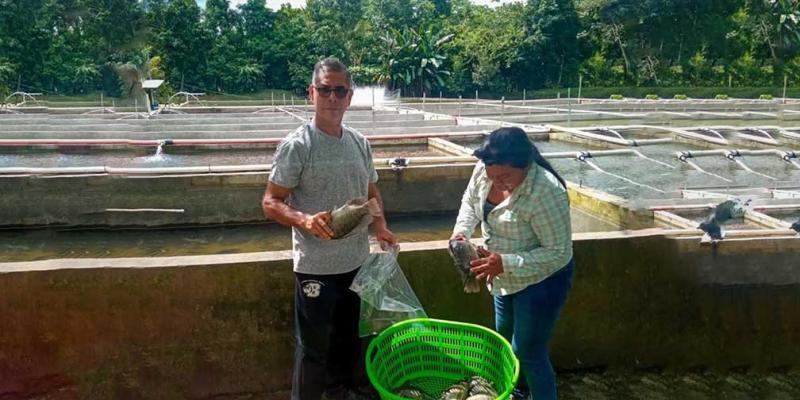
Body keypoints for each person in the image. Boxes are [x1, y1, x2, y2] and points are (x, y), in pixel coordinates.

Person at [262, 57, 396, 400]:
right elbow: (270, 201)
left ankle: (341, 393)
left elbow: (371, 189)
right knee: (312, 349)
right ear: (312, 93)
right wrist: (305, 220)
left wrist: (380, 225)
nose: (332, 97)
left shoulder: (359, 142)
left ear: (349, 97)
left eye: (340, 90)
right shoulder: (298, 145)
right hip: (315, 268)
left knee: (347, 341)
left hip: (356, 262)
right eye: (325, 90)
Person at [451, 127, 574, 400]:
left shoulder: (547, 191)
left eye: (505, 177)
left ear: (526, 164)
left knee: (528, 351)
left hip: (543, 280)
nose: (497, 182)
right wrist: (462, 232)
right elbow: (469, 204)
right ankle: (518, 391)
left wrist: (506, 263)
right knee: (504, 342)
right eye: (492, 176)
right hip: (501, 275)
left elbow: (559, 252)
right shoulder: (485, 170)